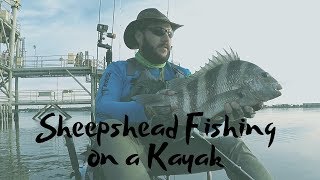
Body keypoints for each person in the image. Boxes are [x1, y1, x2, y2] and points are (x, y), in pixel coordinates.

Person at [95, 8, 272, 180]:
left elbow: (203, 125)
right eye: (158, 32)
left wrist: (220, 115)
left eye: (170, 34)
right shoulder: (118, 70)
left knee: (234, 146)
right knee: (109, 129)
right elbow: (103, 108)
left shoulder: (183, 75)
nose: (166, 38)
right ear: (139, 36)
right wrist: (148, 110)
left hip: (172, 152)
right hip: (129, 152)